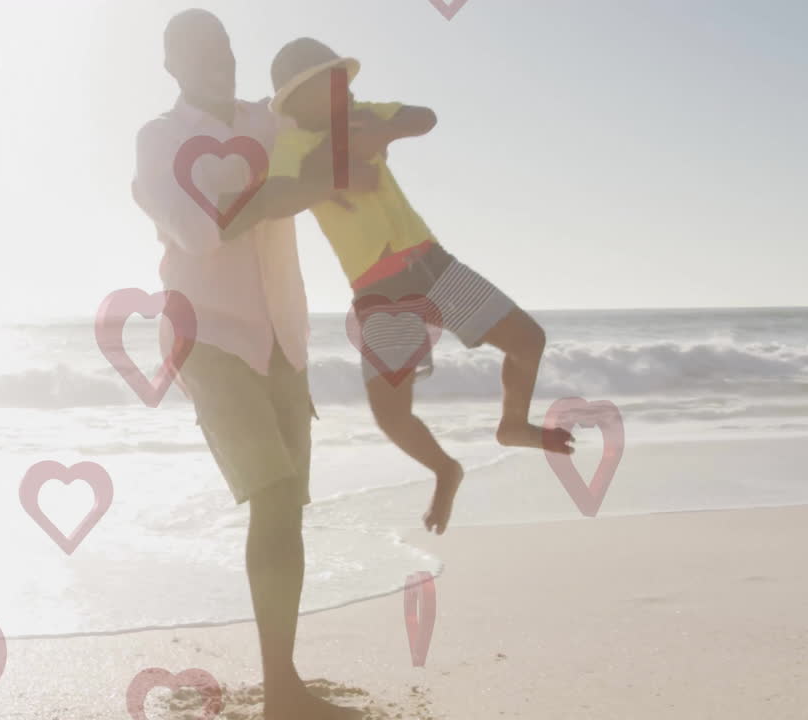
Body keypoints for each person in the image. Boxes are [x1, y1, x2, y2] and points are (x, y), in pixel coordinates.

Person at [131, 11, 374, 720]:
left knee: (288, 511)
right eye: (202, 52)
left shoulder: (266, 123)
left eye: (227, 49)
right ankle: (282, 695)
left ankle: (281, 683)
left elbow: (328, 148)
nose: (220, 60)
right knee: (270, 496)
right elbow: (198, 232)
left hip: (283, 337)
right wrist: (274, 195)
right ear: (173, 64)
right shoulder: (160, 140)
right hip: (207, 339)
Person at [266, 37, 576, 536]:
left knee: (528, 341)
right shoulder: (296, 146)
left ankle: (513, 425)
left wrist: (383, 131)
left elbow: (424, 116)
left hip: (432, 264)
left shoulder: (364, 114)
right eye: (329, 86)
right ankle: (444, 469)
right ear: (298, 101)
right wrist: (336, 168)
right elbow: (280, 195)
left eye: (343, 83)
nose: (343, 93)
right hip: (380, 290)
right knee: (390, 414)